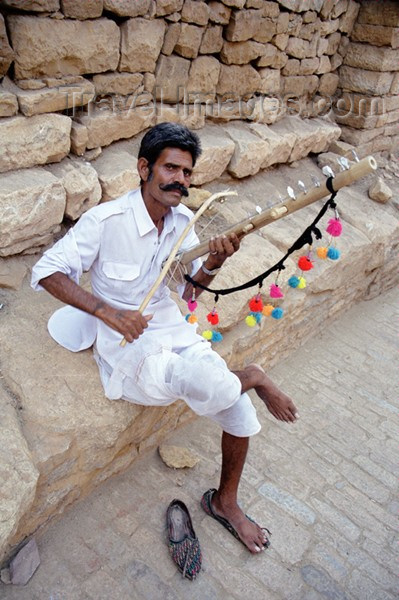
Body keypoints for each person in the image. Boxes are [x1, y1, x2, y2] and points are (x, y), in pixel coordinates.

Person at [31, 122, 298, 554]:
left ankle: (225, 502)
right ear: (144, 168)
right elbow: (45, 271)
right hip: (126, 342)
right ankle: (250, 375)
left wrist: (213, 263)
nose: (180, 180)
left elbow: (189, 289)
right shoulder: (106, 220)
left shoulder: (181, 221)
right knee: (210, 384)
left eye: (188, 172)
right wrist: (108, 312)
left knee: (239, 412)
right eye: (171, 168)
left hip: (171, 327)